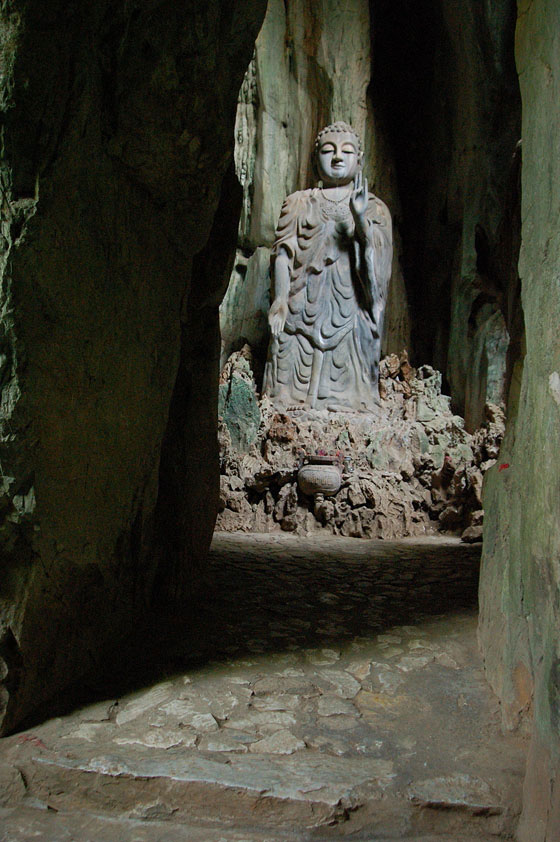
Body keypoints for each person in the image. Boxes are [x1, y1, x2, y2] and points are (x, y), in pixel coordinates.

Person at [263, 121, 392, 411]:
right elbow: (283, 253)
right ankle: (288, 403)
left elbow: (379, 266)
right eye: (328, 150)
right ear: (314, 159)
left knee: (350, 355)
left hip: (350, 311)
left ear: (359, 161)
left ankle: (347, 405)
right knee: (285, 348)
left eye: (346, 152)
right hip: (300, 305)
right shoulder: (298, 202)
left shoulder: (374, 207)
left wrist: (360, 220)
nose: (337, 157)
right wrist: (281, 300)